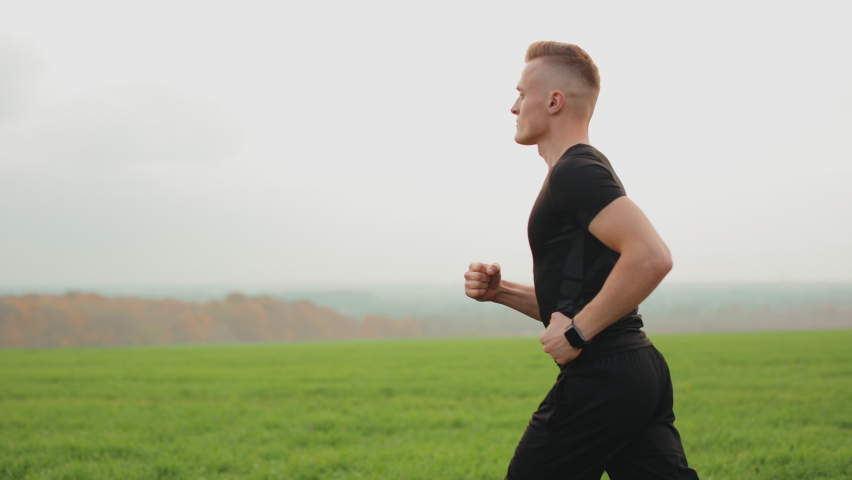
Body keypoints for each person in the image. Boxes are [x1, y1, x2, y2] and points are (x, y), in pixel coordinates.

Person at [463, 41, 700, 480]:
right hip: (634, 369)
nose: (513, 107)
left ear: (554, 101)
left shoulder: (577, 171)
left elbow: (651, 256)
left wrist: (577, 332)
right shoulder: (575, 172)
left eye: (521, 93)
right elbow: (581, 295)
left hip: (604, 375)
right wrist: (503, 293)